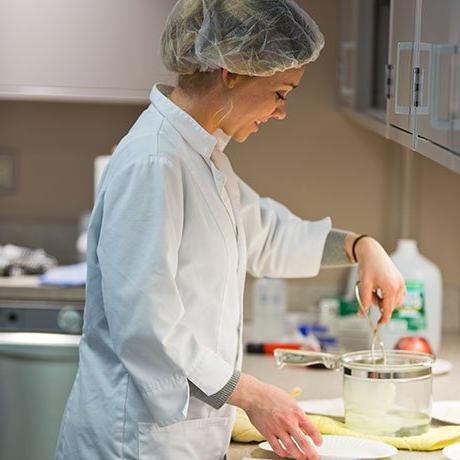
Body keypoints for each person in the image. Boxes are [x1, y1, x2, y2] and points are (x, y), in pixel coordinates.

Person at [56, 1, 405, 459]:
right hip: (132, 442)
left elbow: (267, 234)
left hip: (180, 438)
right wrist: (253, 395)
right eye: (281, 92)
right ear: (233, 72)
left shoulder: (200, 155)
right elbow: (146, 327)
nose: (281, 112)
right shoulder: (156, 162)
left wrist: (363, 248)